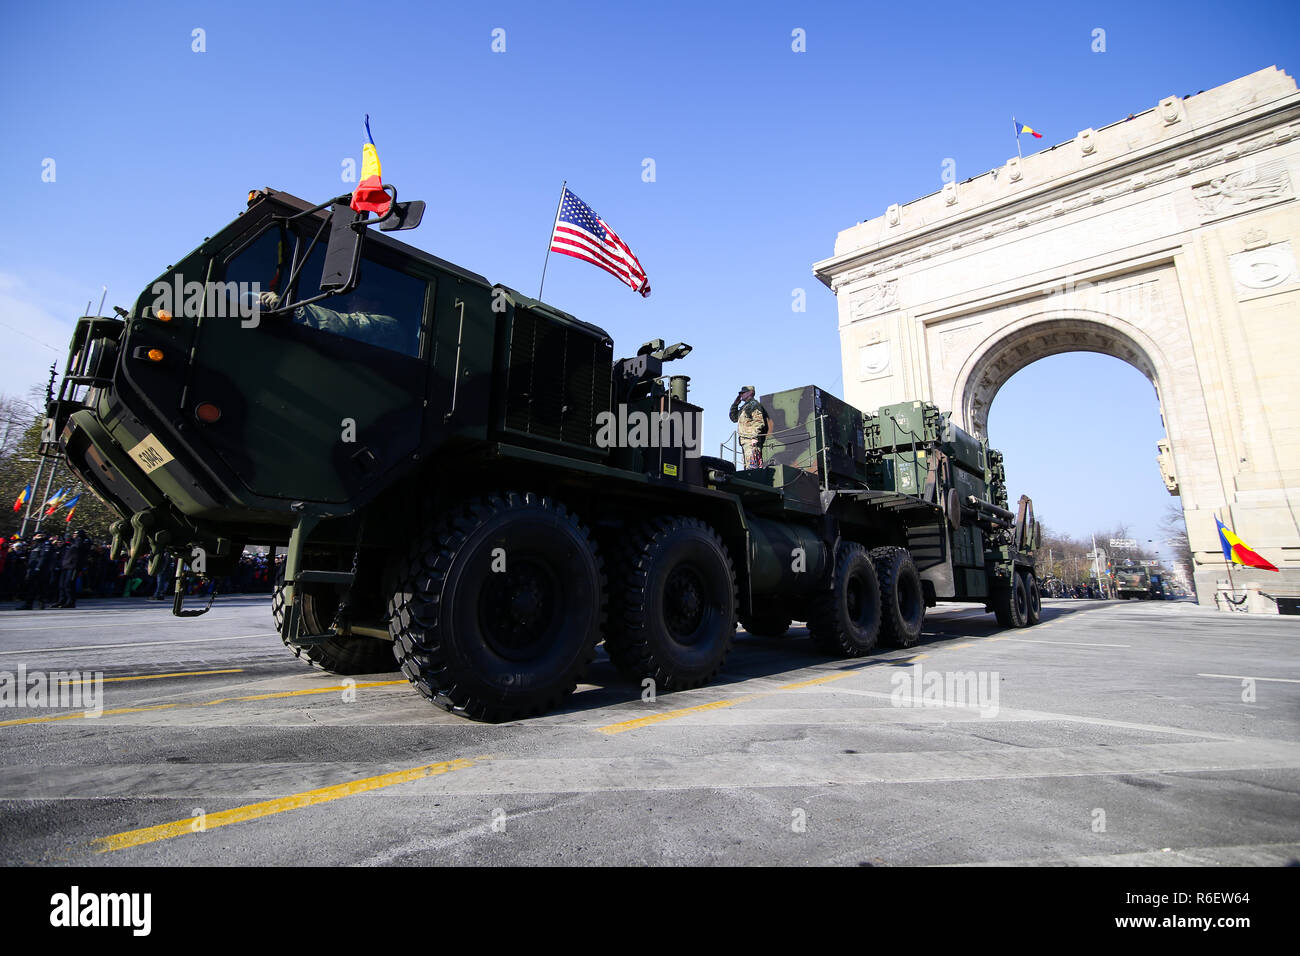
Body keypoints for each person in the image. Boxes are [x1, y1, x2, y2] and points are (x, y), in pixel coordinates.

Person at [729, 385, 772, 469]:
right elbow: (733, 418)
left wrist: (754, 438)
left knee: (752, 466)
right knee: (747, 466)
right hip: (744, 440)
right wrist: (735, 404)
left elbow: (759, 422)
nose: (741, 395)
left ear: (750, 393)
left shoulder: (754, 405)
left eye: (743, 393)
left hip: (750, 440)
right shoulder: (745, 407)